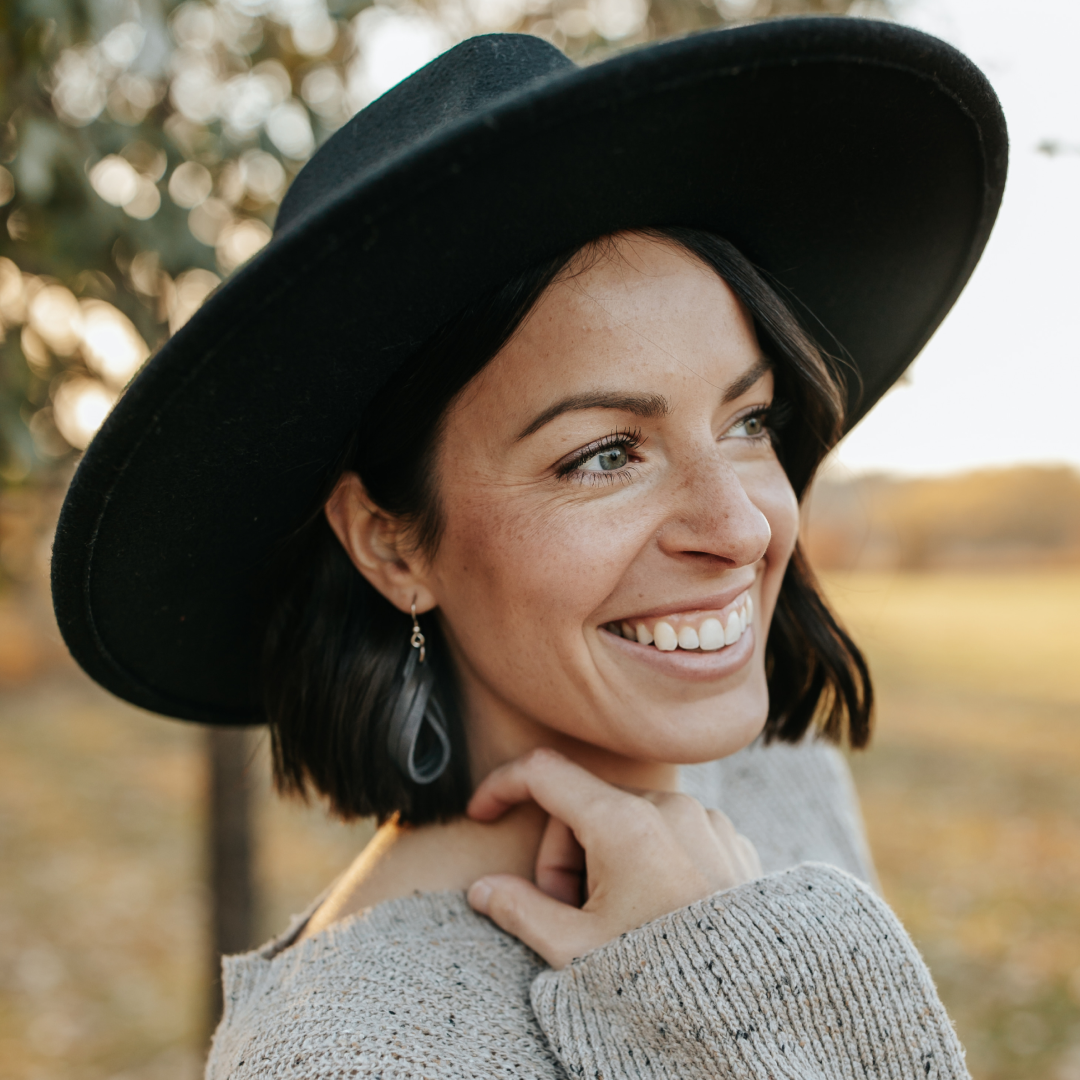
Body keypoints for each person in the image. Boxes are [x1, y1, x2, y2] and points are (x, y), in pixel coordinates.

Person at [52, 17, 1007, 1078]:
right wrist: (738, 990)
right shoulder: (351, 1057)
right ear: (391, 546)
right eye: (606, 453)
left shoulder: (782, 776)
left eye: (748, 422)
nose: (741, 526)